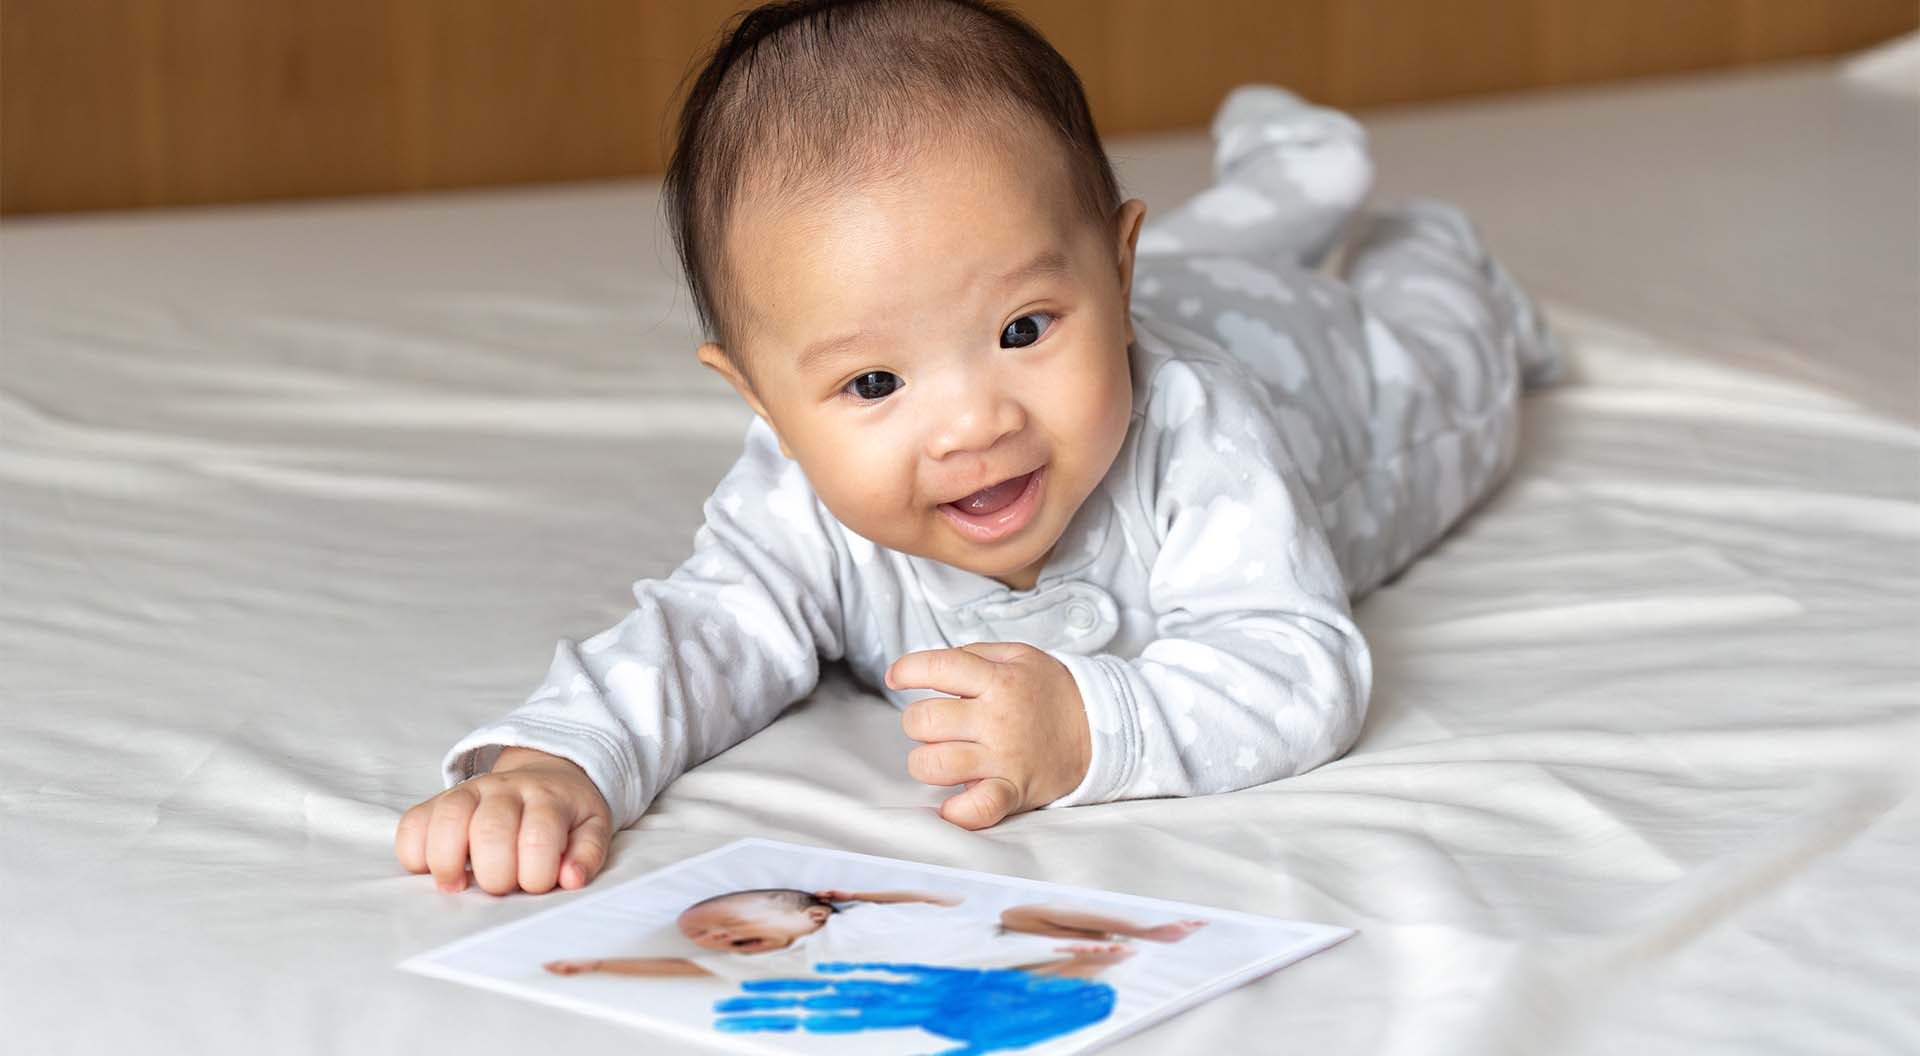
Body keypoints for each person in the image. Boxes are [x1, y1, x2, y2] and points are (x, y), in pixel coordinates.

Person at [395, 0, 1560, 896]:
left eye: (1021, 333)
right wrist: (557, 758)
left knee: (1444, 354)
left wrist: (1085, 730)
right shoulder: (795, 499)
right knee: (1162, 259)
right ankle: (1282, 185)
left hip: (1325, 374)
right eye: (872, 382)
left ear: (1116, 272)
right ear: (760, 402)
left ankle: (1421, 244)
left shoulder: (1198, 430)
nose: (975, 424)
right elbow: (698, 633)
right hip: (1145, 278)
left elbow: (1299, 663)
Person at [540, 887, 1207, 980]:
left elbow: (923, 896)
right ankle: (1095, 954)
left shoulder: (845, 912)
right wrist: (600, 964)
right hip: (959, 959)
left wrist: (871, 893)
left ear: (811, 912)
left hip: (968, 925)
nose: (713, 938)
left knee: (1028, 914)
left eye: (726, 923)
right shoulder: (794, 956)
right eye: (708, 936)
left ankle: (1142, 927)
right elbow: (684, 971)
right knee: (1029, 960)